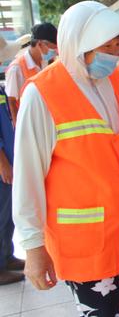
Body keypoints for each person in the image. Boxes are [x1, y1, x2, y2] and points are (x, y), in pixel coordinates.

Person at [12, 1, 119, 315]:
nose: (115, 54)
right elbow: (28, 176)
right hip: (84, 242)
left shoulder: (110, 81)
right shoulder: (41, 93)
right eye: (105, 46)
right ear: (77, 44)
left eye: (118, 45)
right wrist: (33, 247)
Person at [0, 33, 30, 286]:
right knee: (0, 213)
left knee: (7, 213)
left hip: (8, 159)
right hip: (2, 164)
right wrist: (3, 163)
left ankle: (7, 256)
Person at [5, 22, 57, 124]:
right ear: (40, 44)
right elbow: (11, 102)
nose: (54, 52)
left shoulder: (47, 62)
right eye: (53, 48)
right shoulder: (16, 69)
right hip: (28, 122)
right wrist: (18, 129)